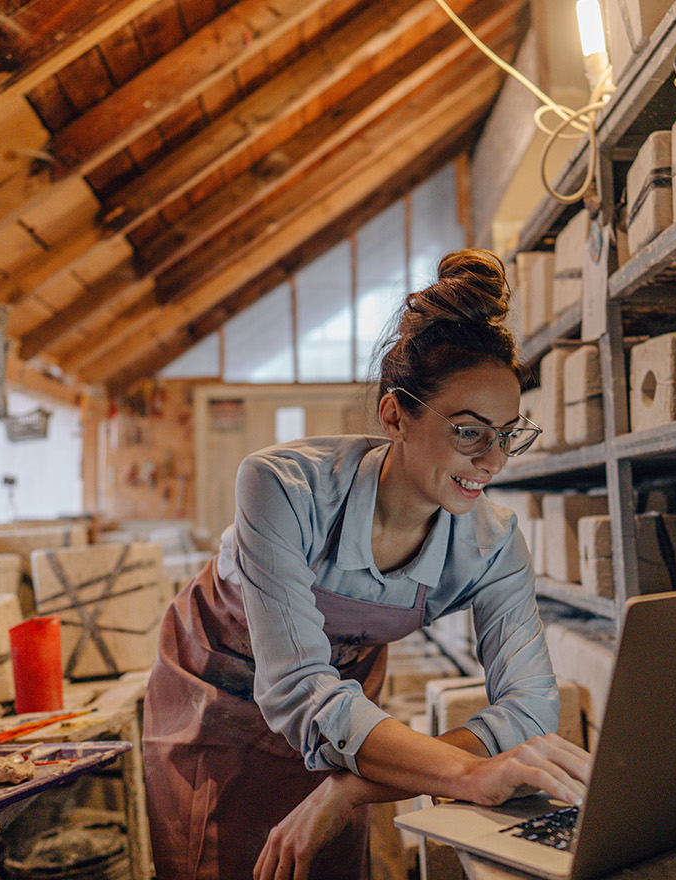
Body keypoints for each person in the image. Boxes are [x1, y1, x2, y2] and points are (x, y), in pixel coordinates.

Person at [143, 249, 594, 880]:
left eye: (508, 433)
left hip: (344, 701)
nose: (494, 461)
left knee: (326, 860)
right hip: (216, 694)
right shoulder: (280, 487)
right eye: (469, 431)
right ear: (394, 415)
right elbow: (297, 685)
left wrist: (353, 786)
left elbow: (531, 709)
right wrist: (465, 771)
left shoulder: (493, 544)